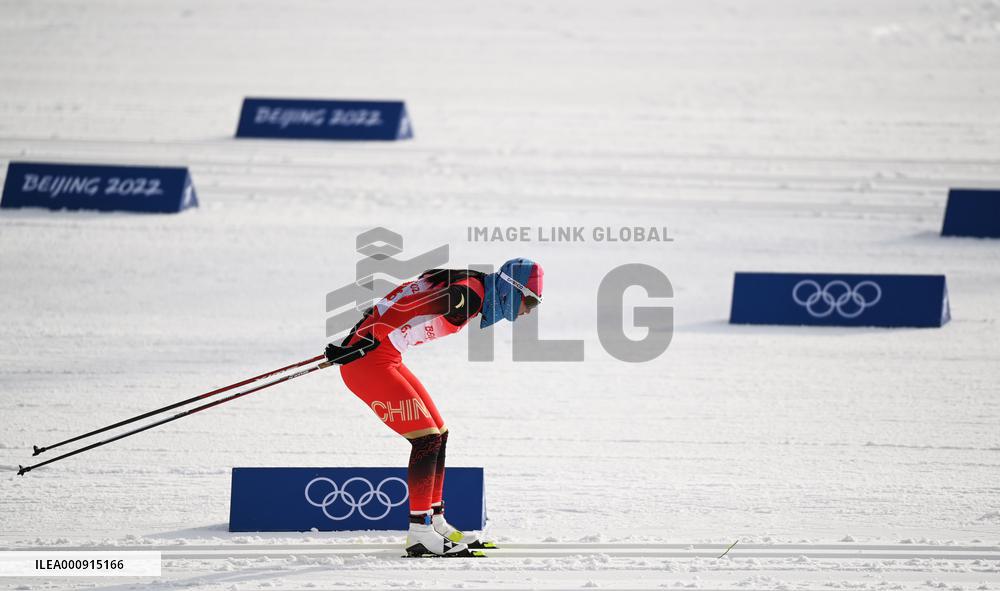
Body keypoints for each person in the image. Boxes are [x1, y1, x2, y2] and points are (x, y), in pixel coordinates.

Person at [324, 258, 544, 557]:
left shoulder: (471, 288)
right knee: (426, 439)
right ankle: (419, 533)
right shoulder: (468, 295)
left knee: (439, 433)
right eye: (529, 301)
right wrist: (362, 339)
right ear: (511, 289)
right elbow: (404, 307)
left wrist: (360, 333)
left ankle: (435, 522)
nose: (528, 311)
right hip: (369, 362)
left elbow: (397, 299)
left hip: (384, 356)